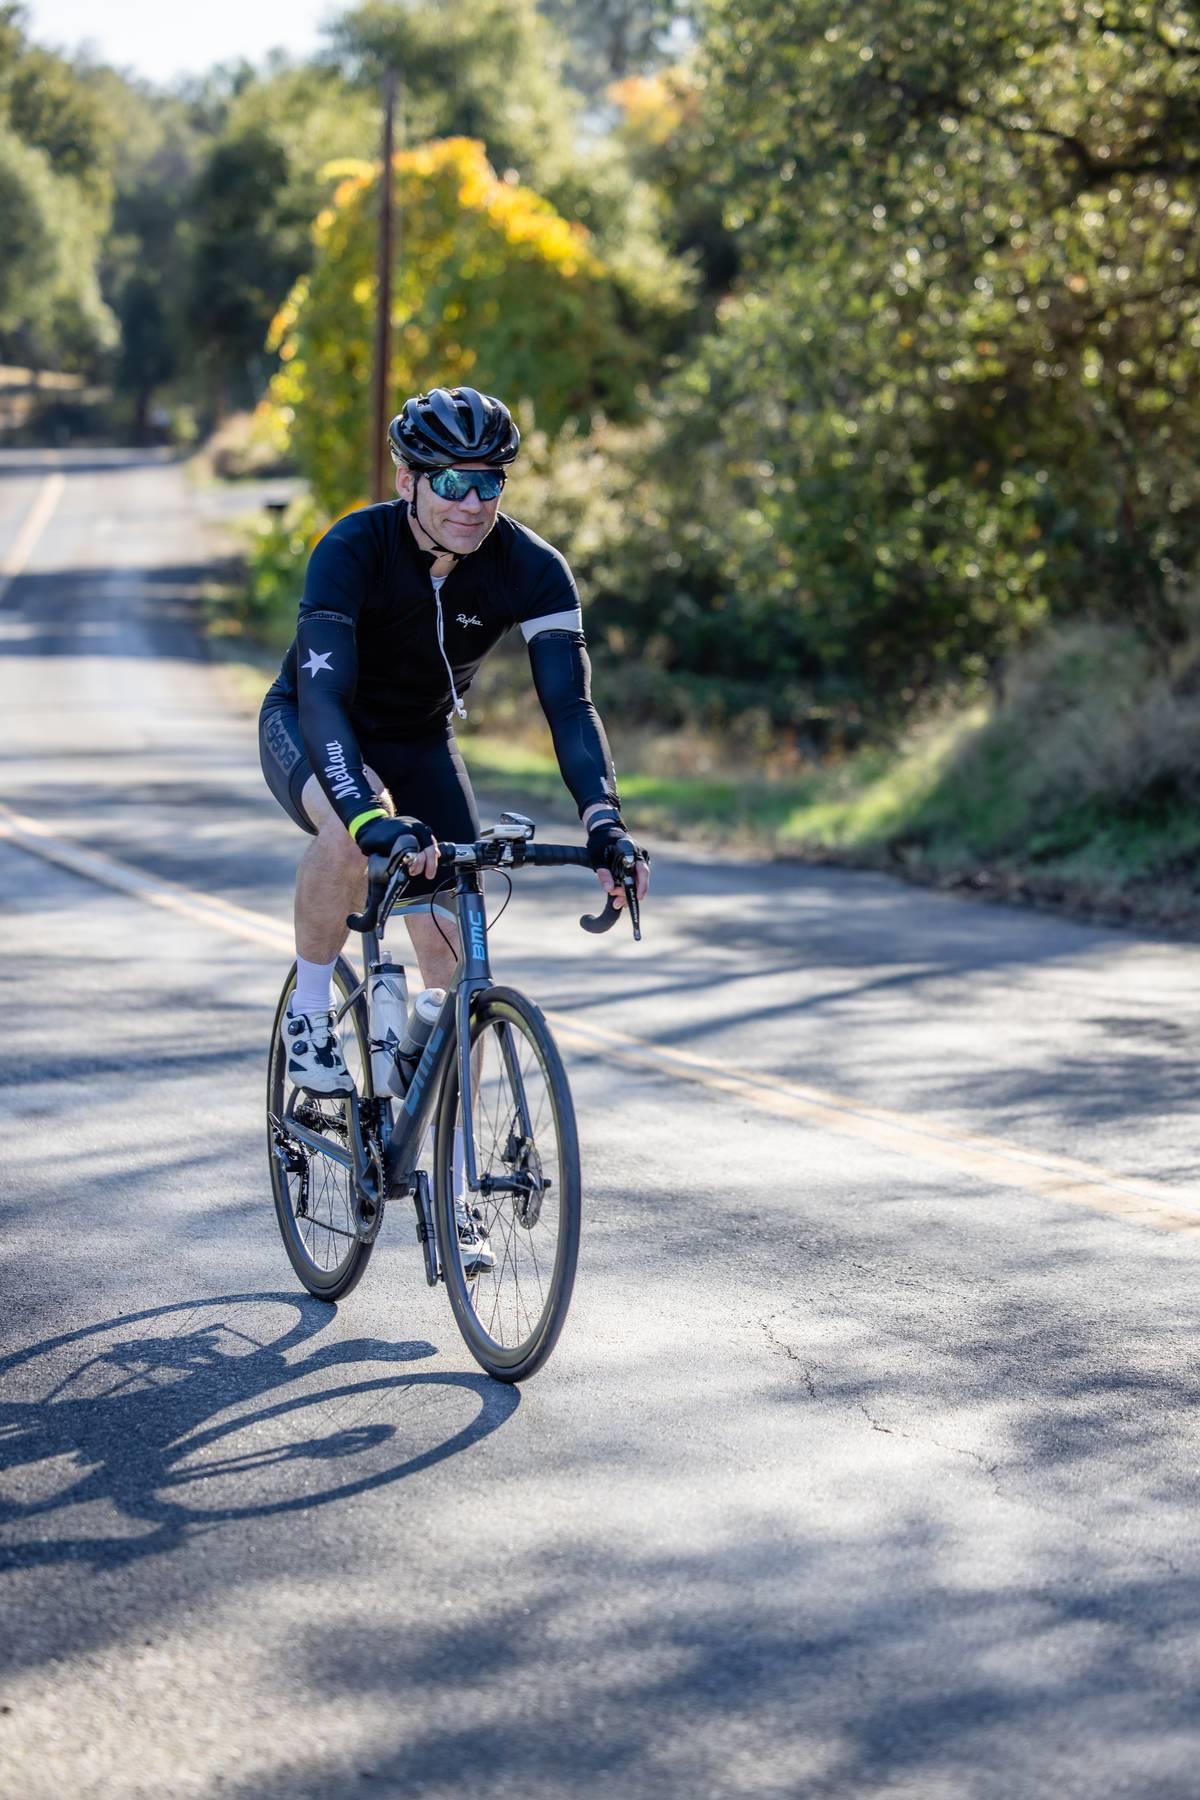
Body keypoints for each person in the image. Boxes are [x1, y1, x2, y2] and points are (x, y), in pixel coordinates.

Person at [259, 383, 649, 1162]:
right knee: (351, 830)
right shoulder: (352, 548)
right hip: (315, 724)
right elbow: (324, 698)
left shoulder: (533, 568)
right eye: (450, 482)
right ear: (407, 481)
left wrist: (604, 821)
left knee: (453, 958)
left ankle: (450, 1167)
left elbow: (570, 707)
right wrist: (368, 817)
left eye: (489, 482)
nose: (472, 503)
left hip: (421, 739)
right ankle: (310, 1011)